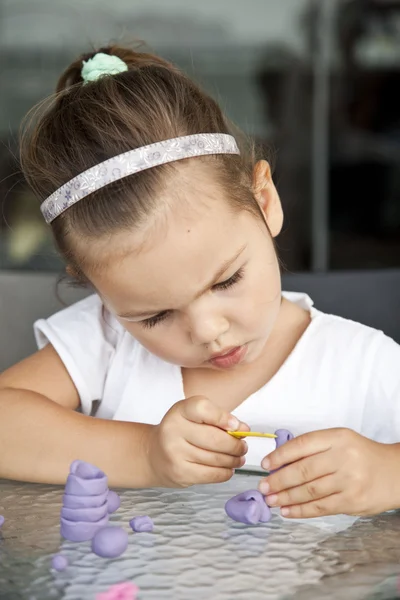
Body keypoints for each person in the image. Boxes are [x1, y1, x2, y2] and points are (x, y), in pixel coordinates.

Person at [1, 46, 399, 521]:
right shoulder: (105, 340)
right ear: (95, 288)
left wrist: (389, 473)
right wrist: (144, 453)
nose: (208, 330)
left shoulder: (363, 364)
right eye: (155, 315)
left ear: (265, 201)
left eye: (227, 280)